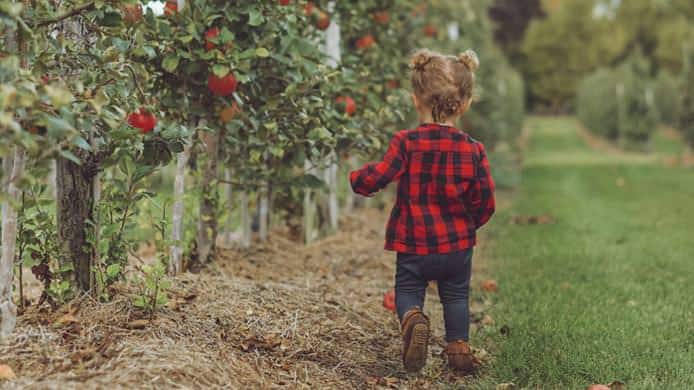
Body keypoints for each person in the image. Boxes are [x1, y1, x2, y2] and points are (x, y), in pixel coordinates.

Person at [349, 49, 495, 373]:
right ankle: (458, 349)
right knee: (456, 296)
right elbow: (486, 201)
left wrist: (358, 180)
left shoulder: (406, 142)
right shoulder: (474, 149)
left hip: (414, 241)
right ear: (466, 103)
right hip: (457, 245)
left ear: (416, 100)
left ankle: (413, 319)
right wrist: (468, 225)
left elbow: (381, 175)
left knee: (408, 289)